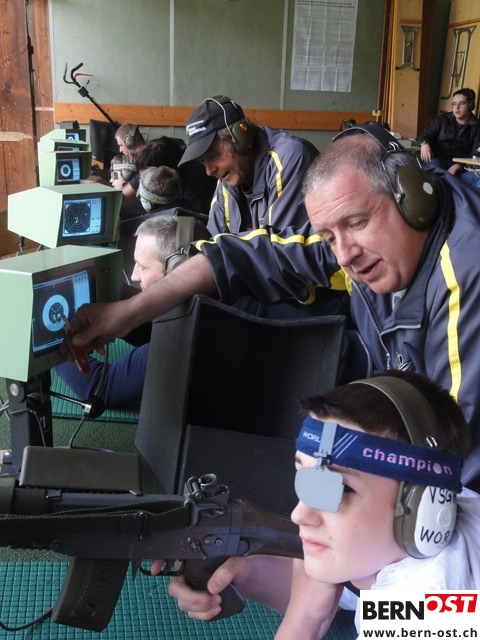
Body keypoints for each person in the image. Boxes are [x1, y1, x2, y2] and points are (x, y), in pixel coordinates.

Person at [65, 122, 480, 488]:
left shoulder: (466, 272)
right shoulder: (355, 236)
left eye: (357, 223)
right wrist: (130, 313)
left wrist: (335, 519)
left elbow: (454, 470)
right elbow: (244, 253)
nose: (344, 255)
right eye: (329, 237)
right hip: (391, 399)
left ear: (412, 197)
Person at [153, 370, 480, 639]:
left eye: (340, 489)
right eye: (305, 479)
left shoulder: (433, 612)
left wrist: (303, 624)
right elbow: (337, 593)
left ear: (427, 509)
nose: (300, 515)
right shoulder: (446, 512)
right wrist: (247, 574)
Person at [55, 214, 210, 413]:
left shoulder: (188, 337)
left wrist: (51, 344)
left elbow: (100, 388)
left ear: (178, 270)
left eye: (143, 267)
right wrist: (114, 296)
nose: (134, 276)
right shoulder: (205, 306)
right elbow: (151, 330)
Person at [178, 95, 320, 235]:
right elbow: (212, 241)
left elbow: (281, 245)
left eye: (213, 156)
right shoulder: (228, 179)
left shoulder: (290, 156)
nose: (209, 171)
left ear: (241, 138)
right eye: (203, 161)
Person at [119, 165, 195, 286]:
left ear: (147, 202)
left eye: (140, 194)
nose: (138, 196)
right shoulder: (190, 210)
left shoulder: (149, 232)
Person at [130, 136, 217, 215]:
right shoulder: (162, 157)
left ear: (165, 172)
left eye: (148, 174)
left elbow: (194, 216)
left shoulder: (196, 174)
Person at [417, 87, 480, 187]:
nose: (457, 107)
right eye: (454, 104)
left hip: (462, 169)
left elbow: (475, 154)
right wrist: (424, 144)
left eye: (461, 103)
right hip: (438, 162)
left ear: (470, 105)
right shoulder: (442, 119)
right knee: (431, 171)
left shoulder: (477, 126)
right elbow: (425, 135)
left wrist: (458, 166)